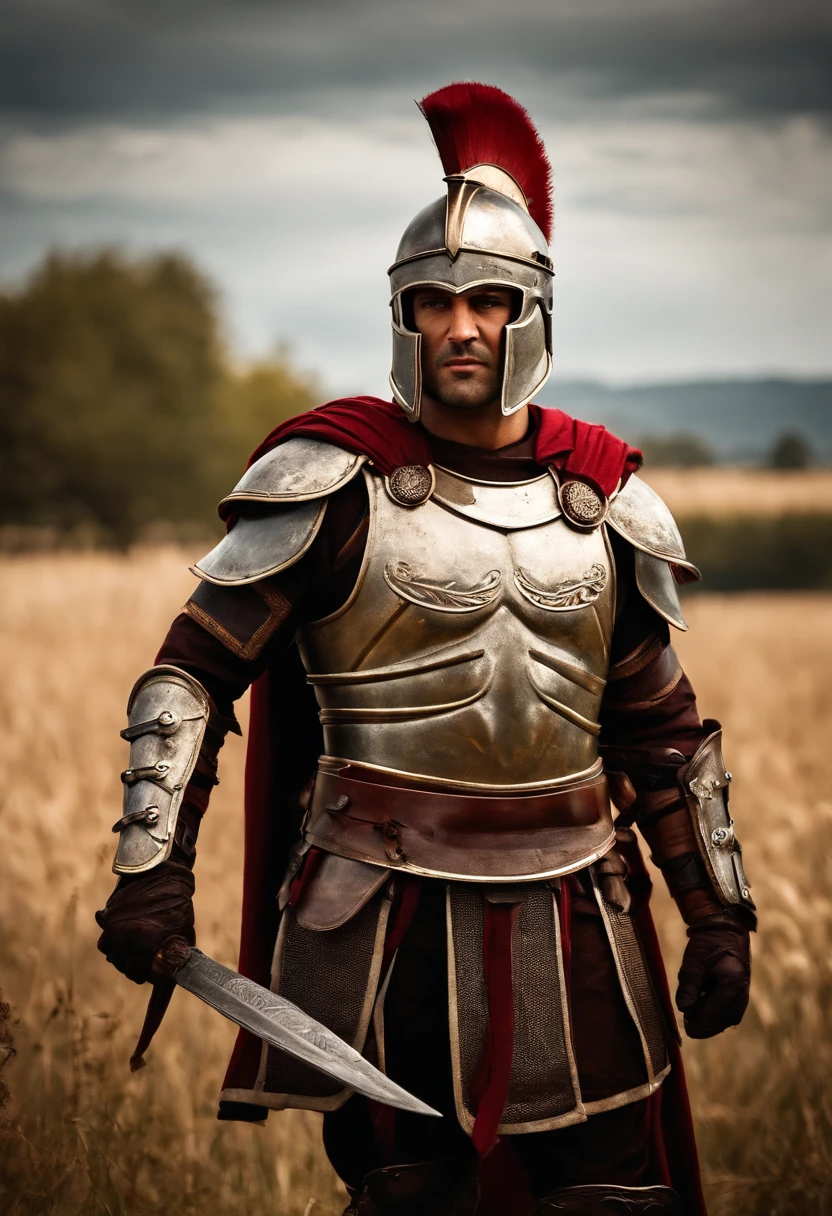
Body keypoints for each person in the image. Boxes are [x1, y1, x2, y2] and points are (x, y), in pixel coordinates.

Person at [96, 83, 755, 1216]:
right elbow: (192, 676)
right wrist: (151, 869)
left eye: (492, 299)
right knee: (413, 1197)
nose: (462, 325)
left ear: (532, 312)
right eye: (436, 302)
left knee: (609, 1196)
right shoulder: (329, 486)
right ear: (404, 317)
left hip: (579, 907)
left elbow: (662, 730)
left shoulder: (603, 503)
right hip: (375, 909)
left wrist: (714, 911)